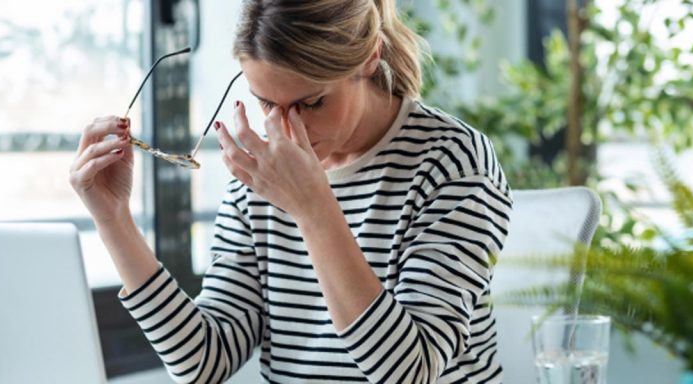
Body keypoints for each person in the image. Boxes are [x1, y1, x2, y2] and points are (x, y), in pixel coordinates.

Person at [70, 0, 512, 382]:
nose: (284, 129)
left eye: (312, 102)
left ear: (370, 58)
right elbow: (202, 361)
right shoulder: (261, 177)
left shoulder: (452, 161)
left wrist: (314, 209)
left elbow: (409, 371)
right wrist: (114, 220)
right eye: (266, 103)